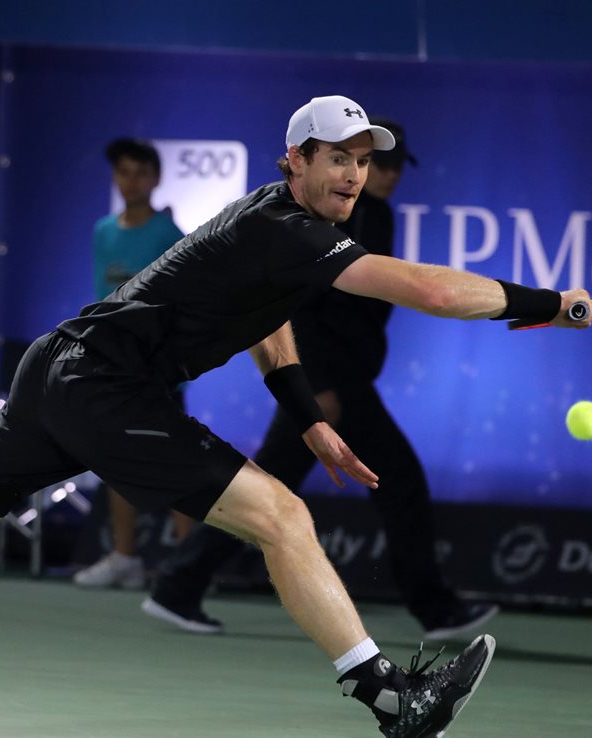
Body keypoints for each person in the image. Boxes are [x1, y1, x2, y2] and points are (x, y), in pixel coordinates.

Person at [0, 94, 592, 737]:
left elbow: (270, 322)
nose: (356, 175)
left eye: (366, 162)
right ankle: (389, 696)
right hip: (101, 385)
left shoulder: (282, 226)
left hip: (62, 371)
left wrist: (307, 417)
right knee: (283, 516)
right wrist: (546, 302)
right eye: (338, 159)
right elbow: (427, 289)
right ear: (296, 161)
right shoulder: (288, 225)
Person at [141, 118, 498, 641]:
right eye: (359, 160)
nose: (382, 174)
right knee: (392, 484)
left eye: (381, 163)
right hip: (329, 385)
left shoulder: (372, 216)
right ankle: (435, 608)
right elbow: (299, 305)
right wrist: (320, 386)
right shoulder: (328, 220)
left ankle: (177, 585)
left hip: (342, 382)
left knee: (270, 490)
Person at [75, 137, 196, 589]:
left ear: (157, 178)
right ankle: (125, 557)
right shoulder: (102, 231)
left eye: (140, 172)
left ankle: (185, 569)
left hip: (157, 367)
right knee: (114, 458)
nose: (131, 181)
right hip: (112, 364)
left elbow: (180, 303)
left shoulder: (170, 236)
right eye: (123, 172)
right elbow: (101, 300)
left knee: (172, 462)